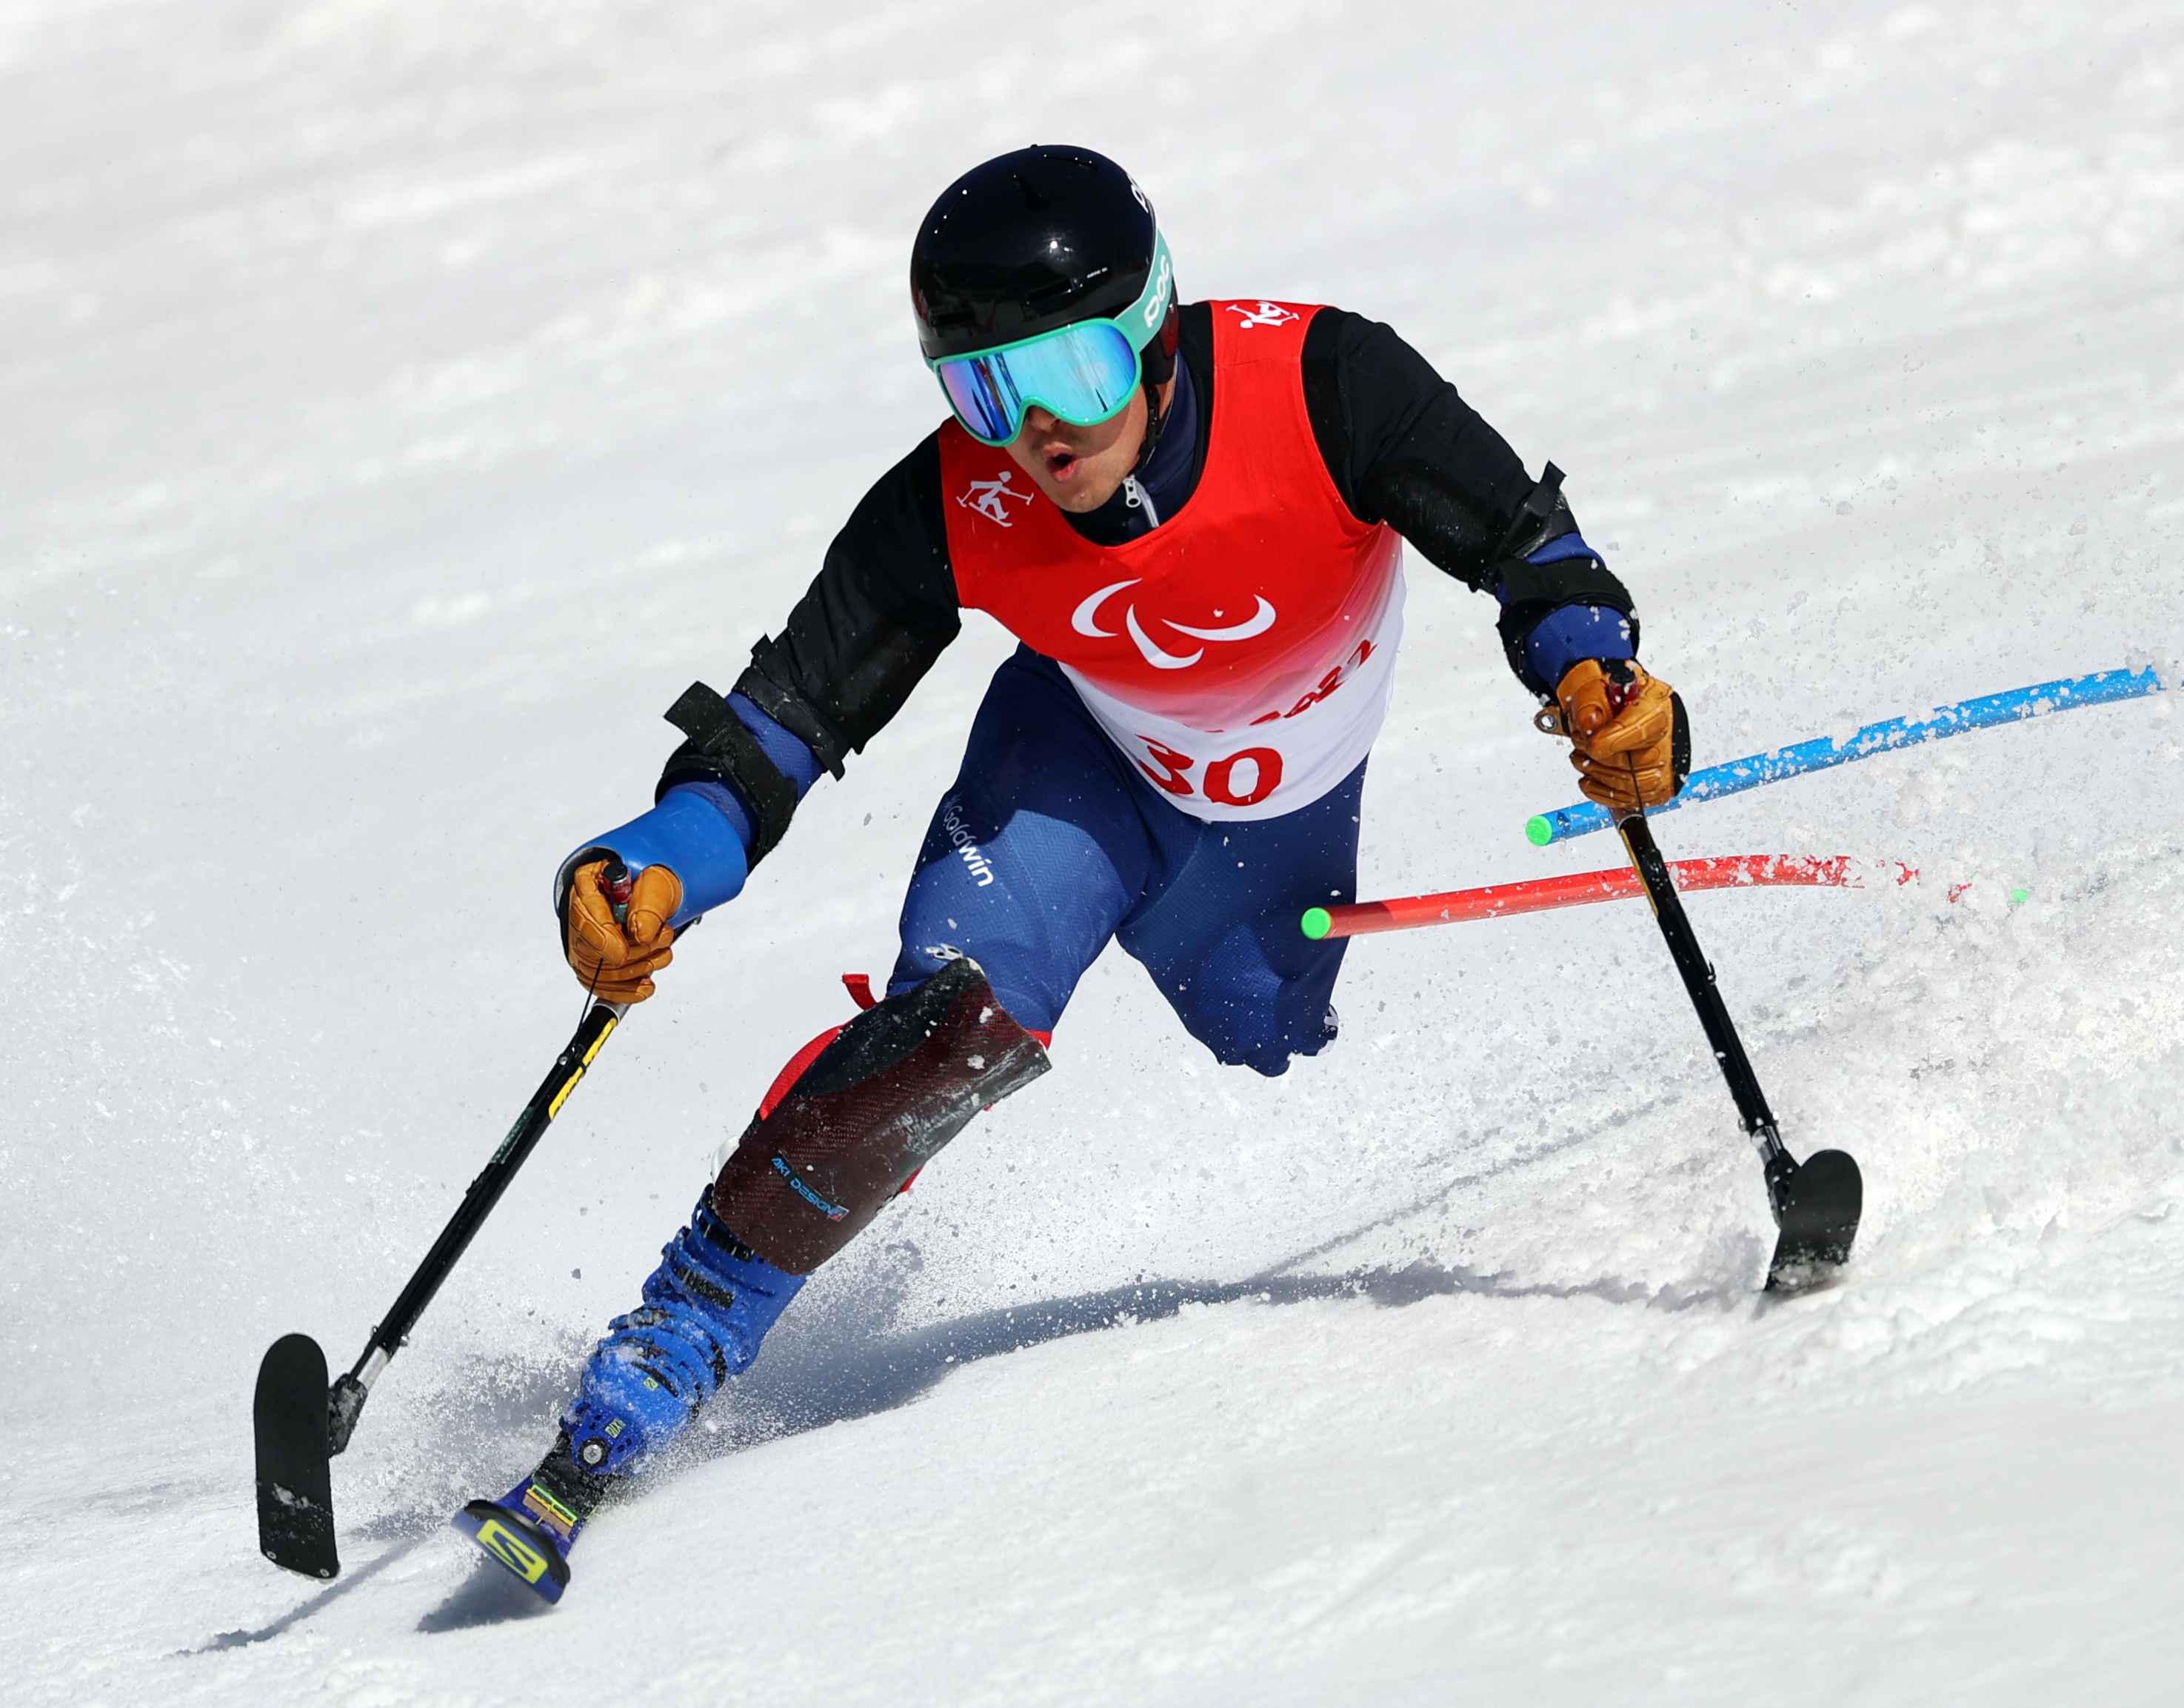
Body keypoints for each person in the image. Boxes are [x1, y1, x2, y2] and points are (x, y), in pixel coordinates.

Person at [458, 144, 1688, 1595]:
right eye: (987, 388)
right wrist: (658, 857)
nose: (1041, 428)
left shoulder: (1326, 389)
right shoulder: (953, 504)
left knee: (1266, 1031)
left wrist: (1598, 676)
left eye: (1081, 374)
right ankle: (667, 1353)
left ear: (1157, 330)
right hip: (1081, 771)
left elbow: (1528, 548)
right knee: (942, 1036)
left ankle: (1203, 947)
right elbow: (789, 714)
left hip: (1272, 817)